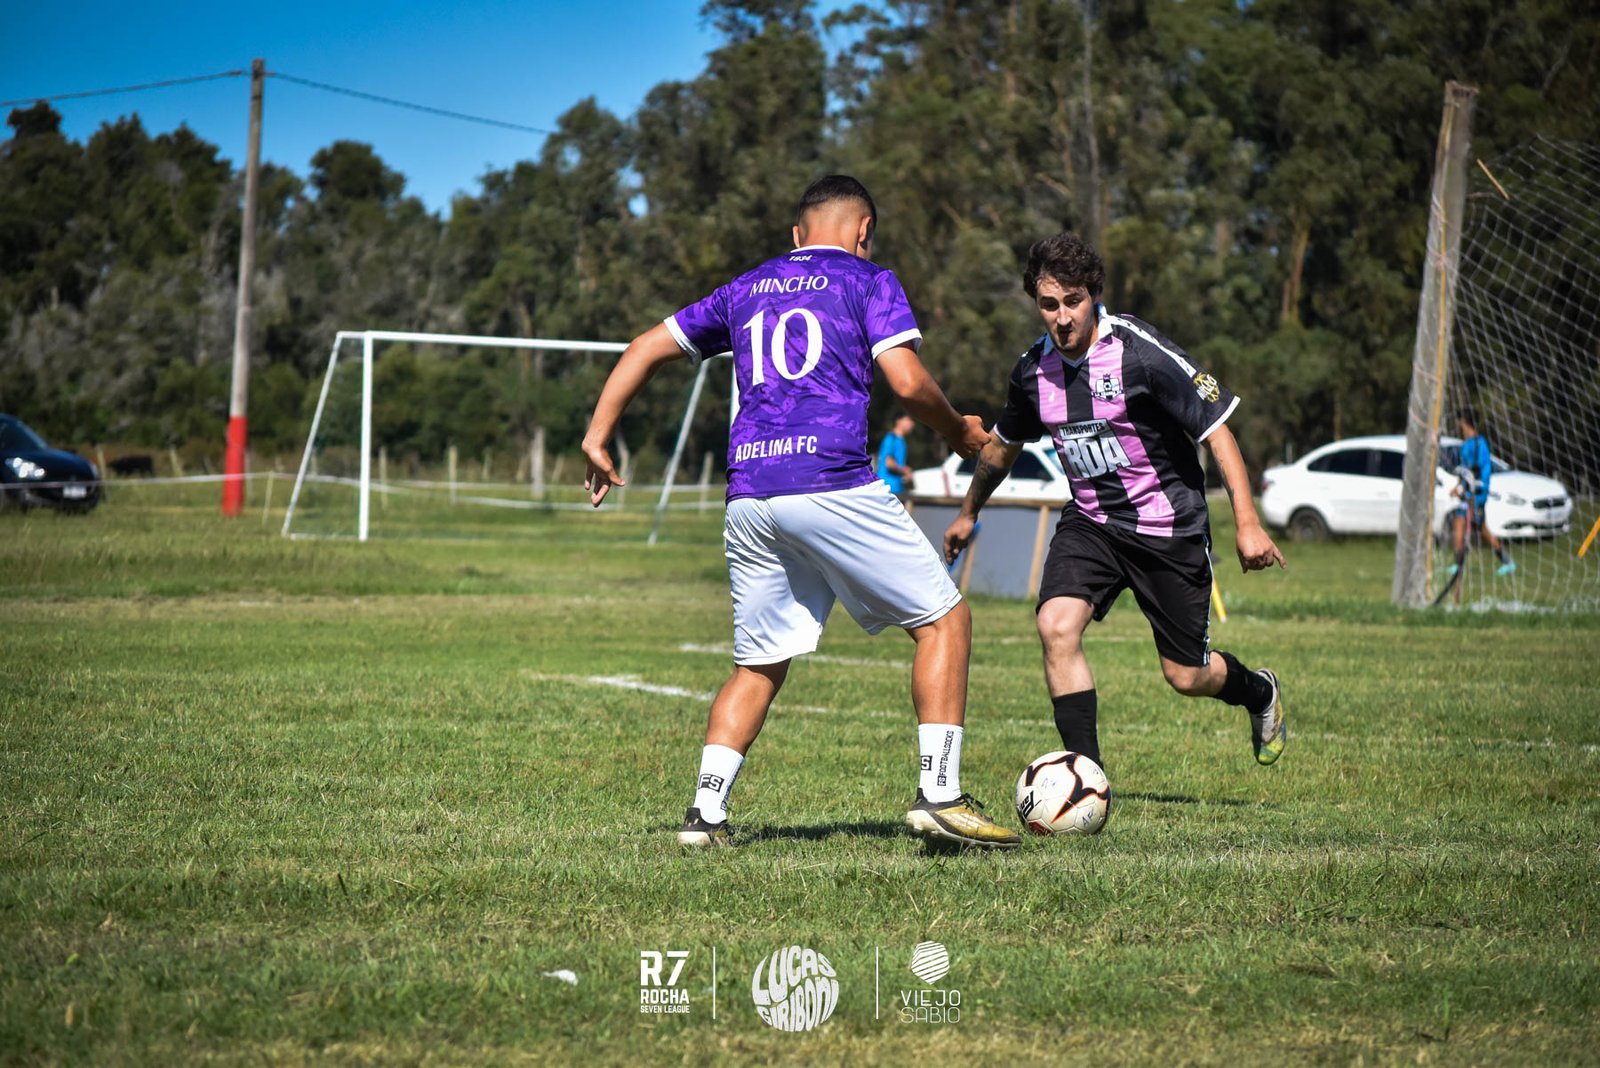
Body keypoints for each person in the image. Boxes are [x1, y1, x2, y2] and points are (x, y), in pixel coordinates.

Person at [582, 175, 1019, 850]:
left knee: (758, 662)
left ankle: (705, 816)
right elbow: (906, 382)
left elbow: (644, 347)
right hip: (829, 481)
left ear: (796, 234)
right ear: (864, 231)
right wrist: (960, 430)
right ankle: (940, 794)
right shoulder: (869, 280)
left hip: (751, 494)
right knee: (945, 621)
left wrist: (597, 435)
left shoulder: (746, 287)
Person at [943, 231, 1288, 773]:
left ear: (1094, 295)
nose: (1062, 318)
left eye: (1073, 301)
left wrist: (1247, 523)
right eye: (1049, 305)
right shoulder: (1032, 373)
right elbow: (1001, 450)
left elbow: (1217, 430)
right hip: (1092, 523)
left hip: (1166, 527)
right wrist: (968, 514)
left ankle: (1259, 691)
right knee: (1056, 626)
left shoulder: (1139, 353)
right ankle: (1087, 778)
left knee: (1186, 676)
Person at [1449, 410, 1515, 577]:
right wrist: (1458, 487)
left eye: (1460, 422)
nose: (1459, 426)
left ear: (1464, 423)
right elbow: (1466, 471)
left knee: (1460, 522)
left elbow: (1478, 472)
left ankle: (1458, 565)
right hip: (1472, 493)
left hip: (1476, 494)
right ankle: (1507, 562)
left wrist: (1471, 490)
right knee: (1481, 528)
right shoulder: (1472, 444)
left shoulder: (1477, 445)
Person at [876, 413, 917, 499]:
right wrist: (905, 470)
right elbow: (889, 463)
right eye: (908, 420)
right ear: (898, 421)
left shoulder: (901, 440)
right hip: (887, 489)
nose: (912, 423)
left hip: (897, 489)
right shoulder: (891, 438)